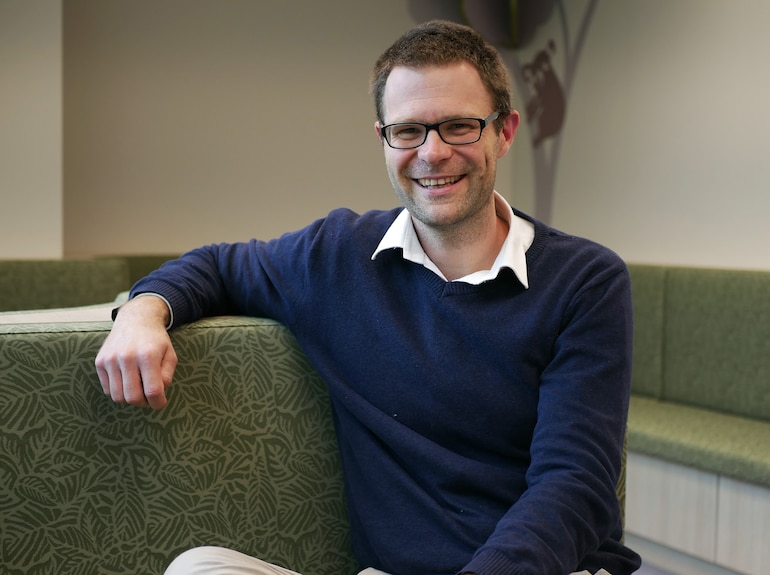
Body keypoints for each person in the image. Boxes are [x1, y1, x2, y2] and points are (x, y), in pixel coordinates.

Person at [95, 19, 641, 575]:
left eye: (458, 126)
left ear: (504, 131)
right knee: (197, 568)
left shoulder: (586, 280)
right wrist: (143, 312)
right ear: (383, 138)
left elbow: (574, 483)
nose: (432, 153)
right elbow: (215, 266)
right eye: (408, 131)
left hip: (549, 569)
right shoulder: (338, 255)